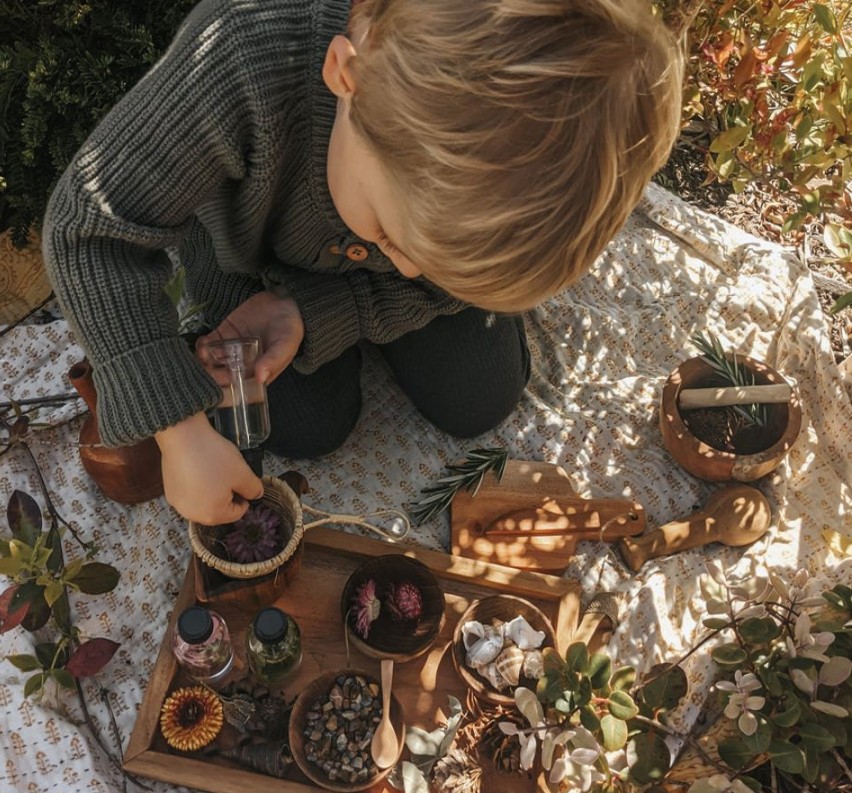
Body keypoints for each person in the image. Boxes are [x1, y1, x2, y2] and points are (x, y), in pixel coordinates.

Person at [43, 0, 683, 526]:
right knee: (303, 427)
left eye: (425, 257)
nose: (406, 269)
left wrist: (326, 309)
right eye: (390, 233)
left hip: (376, 283)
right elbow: (86, 230)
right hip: (248, 259)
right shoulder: (242, 57)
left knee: (480, 400)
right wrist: (177, 432)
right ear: (344, 76)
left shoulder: (464, 214)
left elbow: (438, 279)